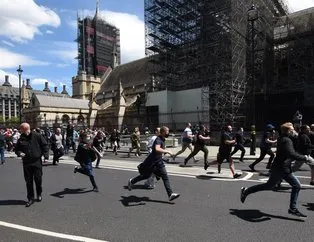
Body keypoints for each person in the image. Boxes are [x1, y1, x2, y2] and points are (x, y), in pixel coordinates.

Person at [240, 122, 314, 218]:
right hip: (281, 168)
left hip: (281, 167)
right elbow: (291, 154)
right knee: (296, 186)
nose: (294, 131)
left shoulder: (283, 138)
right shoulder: (286, 140)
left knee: (268, 186)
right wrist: (304, 158)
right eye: (292, 130)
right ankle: (292, 208)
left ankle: (246, 191)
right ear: (288, 131)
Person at [127, 126, 180, 201]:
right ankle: (132, 181)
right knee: (146, 176)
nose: (168, 132)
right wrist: (167, 151)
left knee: (164, 176)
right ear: (163, 132)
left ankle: (170, 194)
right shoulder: (158, 139)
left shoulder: (162, 139)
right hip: (152, 162)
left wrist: (168, 155)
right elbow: (157, 149)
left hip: (158, 162)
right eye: (167, 131)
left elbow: (160, 151)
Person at [15, 123, 49, 207]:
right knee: (28, 182)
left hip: (37, 162)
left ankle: (39, 194)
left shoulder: (37, 136)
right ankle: (30, 198)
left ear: (25, 129)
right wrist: (20, 153)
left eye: (21, 129)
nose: (20, 131)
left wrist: (46, 156)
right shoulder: (21, 138)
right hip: (26, 163)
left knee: (38, 179)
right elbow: (17, 149)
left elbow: (45, 146)